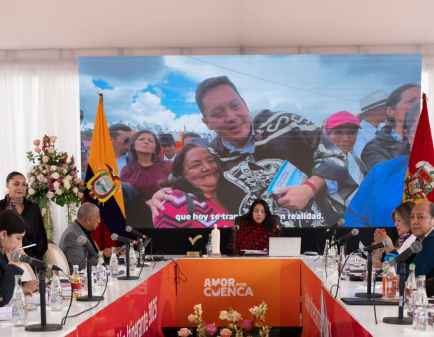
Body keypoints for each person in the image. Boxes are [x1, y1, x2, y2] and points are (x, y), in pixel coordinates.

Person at [195, 75, 353, 228]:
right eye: (218, 114)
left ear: (245, 104)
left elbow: (336, 156)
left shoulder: (288, 125)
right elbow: (181, 181)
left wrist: (310, 188)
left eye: (235, 105)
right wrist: (169, 192)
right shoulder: (211, 155)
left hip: (315, 237)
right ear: (207, 122)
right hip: (253, 246)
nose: (230, 117)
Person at [344, 102, 421, 228]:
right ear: (408, 135)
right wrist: (378, 244)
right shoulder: (381, 172)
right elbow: (354, 219)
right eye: (421, 130)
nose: (426, 137)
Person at [153, 143, 238, 229]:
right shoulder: (176, 201)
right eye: (196, 165)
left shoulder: (232, 196)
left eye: (211, 161)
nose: (207, 167)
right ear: (182, 174)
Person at [0, 171, 48, 259]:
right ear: (7, 186)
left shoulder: (33, 208)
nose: (20, 188)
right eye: (16, 184)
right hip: (0, 257)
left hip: (26, 256)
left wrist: (38, 262)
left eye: (23, 185)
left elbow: (40, 237)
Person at [361, 83, 420, 170]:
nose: (419, 105)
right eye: (410, 101)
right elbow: (389, 178)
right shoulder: (375, 149)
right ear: (390, 112)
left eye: (423, 100)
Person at [120, 130, 173, 227]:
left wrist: (155, 200)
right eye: (141, 139)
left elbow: (177, 190)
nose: (146, 142)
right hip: (137, 218)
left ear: (155, 149)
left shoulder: (168, 166)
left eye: (150, 141)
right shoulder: (127, 170)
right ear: (133, 146)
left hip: (165, 213)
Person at [0, 210, 39, 296]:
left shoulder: (1, 252)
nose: (21, 244)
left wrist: (22, 287)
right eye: (18, 238)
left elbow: (4, 284)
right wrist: (15, 264)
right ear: (3, 234)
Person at [324, 111, 368, 189]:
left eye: (351, 133)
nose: (346, 139)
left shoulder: (358, 163)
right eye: (339, 133)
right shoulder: (317, 165)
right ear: (328, 135)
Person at [59, 203, 102, 272]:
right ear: (88, 220)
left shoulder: (81, 230)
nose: (99, 221)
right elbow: (79, 266)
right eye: (98, 218)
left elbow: (91, 255)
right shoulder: (72, 235)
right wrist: (102, 256)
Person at [353, 89, 389, 159]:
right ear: (374, 109)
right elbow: (363, 160)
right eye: (385, 107)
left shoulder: (384, 131)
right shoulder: (357, 135)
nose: (389, 111)